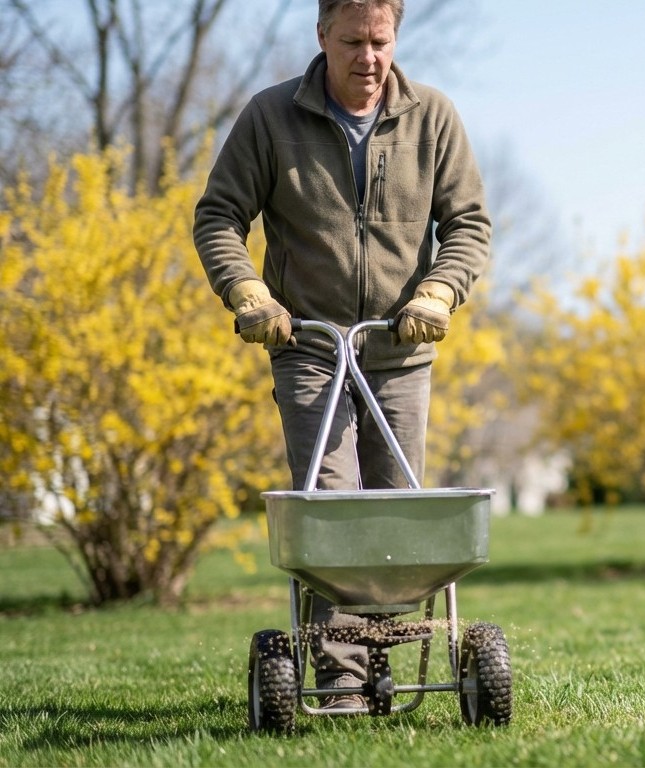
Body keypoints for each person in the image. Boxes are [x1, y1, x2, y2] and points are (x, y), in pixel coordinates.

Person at [193, 0, 491, 708]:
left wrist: (438, 293)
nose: (367, 57)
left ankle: (389, 648)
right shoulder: (270, 118)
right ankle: (342, 675)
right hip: (309, 346)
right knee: (330, 502)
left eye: (379, 40)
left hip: (401, 345)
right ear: (321, 34)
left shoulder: (433, 117)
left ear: (396, 37)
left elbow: (469, 225)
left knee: (396, 508)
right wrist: (248, 295)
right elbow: (219, 215)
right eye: (352, 40)